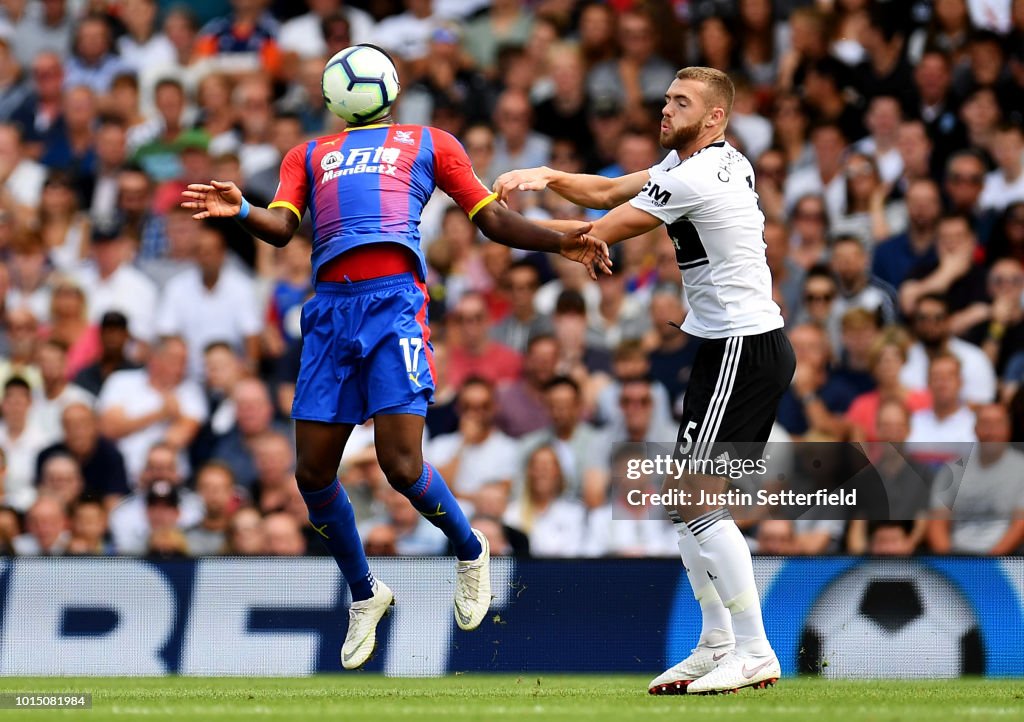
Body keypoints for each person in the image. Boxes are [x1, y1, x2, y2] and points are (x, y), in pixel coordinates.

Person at [180, 44, 610, 672]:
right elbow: (281, 227)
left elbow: (491, 221)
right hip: (329, 311)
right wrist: (240, 208)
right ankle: (366, 593)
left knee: (401, 464)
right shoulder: (307, 153)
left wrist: (557, 240)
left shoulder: (432, 142)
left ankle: (470, 551)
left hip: (392, 306)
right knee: (311, 475)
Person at [494, 66, 794, 694]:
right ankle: (716, 643)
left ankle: (755, 649)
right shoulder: (705, 162)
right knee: (685, 508)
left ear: (714, 117)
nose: (665, 108)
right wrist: (546, 176)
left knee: (698, 503)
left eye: (680, 102)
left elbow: (602, 229)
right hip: (727, 346)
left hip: (743, 345)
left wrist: (494, 224)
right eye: (666, 98)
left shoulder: (696, 175)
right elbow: (606, 192)